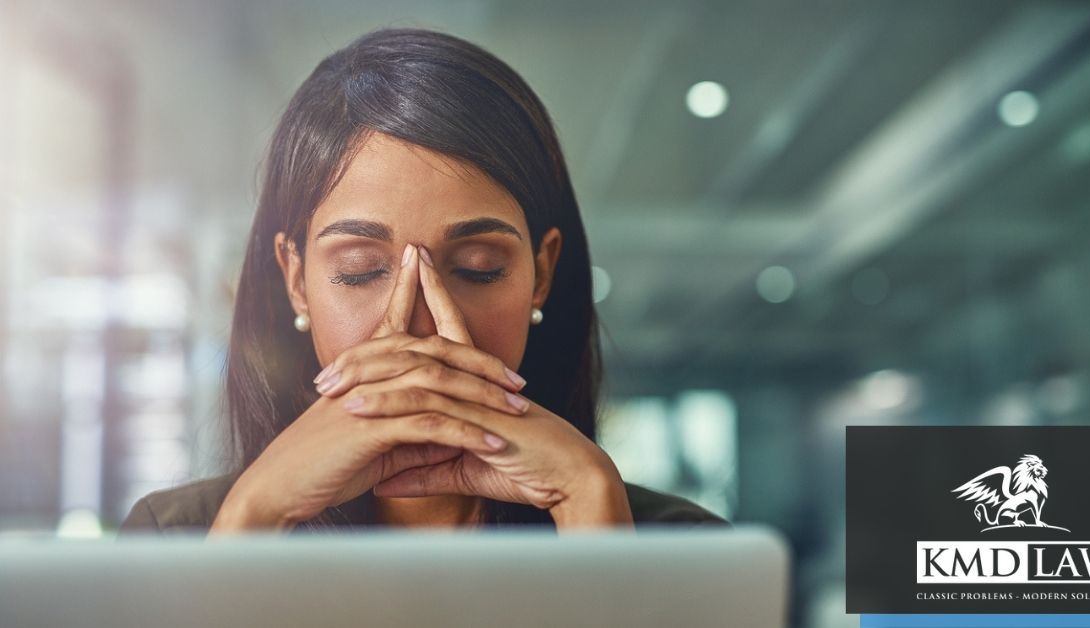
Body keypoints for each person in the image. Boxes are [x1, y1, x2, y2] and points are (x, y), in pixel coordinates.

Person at [119, 27, 726, 535]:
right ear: (297, 281)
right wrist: (255, 516)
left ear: (540, 276)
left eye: (477, 268)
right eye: (360, 271)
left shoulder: (679, 545)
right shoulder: (180, 535)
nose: (420, 324)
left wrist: (590, 506)